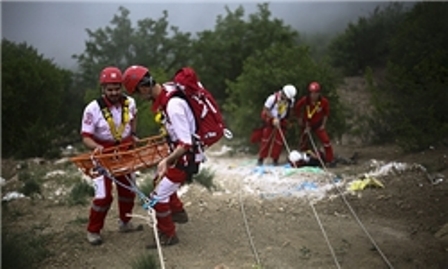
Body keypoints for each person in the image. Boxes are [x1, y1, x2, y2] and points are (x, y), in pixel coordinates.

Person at [122, 65, 195, 247]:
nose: (141, 97)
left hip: (184, 160)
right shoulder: (169, 89)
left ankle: (169, 235)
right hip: (180, 156)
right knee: (158, 180)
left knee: (156, 197)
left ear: (144, 87)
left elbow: (186, 144)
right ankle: (178, 212)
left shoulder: (173, 106)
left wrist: (166, 160)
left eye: (138, 93)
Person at [80, 66, 143, 245]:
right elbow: (86, 136)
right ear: (103, 89)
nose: (114, 92)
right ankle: (93, 230)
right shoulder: (92, 108)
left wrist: (134, 134)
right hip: (103, 154)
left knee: (128, 190)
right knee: (103, 196)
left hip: (124, 150)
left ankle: (125, 222)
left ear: (122, 87)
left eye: (117, 88)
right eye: (110, 89)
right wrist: (97, 147)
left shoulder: (129, 102)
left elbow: (134, 117)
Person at [294, 81, 334, 165]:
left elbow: (326, 114)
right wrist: (299, 119)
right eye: (312, 93)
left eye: (316, 93)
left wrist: (323, 125)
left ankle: (330, 160)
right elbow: (297, 108)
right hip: (307, 124)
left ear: (319, 93)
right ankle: (302, 159)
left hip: (318, 124)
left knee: (326, 141)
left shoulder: (323, 102)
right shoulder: (305, 100)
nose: (313, 95)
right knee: (303, 141)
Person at [257, 85, 297, 166]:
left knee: (279, 141)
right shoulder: (272, 98)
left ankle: (275, 159)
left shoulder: (291, 101)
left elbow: (290, 111)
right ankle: (261, 158)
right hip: (271, 119)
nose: (286, 99)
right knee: (266, 139)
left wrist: (289, 121)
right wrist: (273, 119)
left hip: (281, 121)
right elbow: (266, 109)